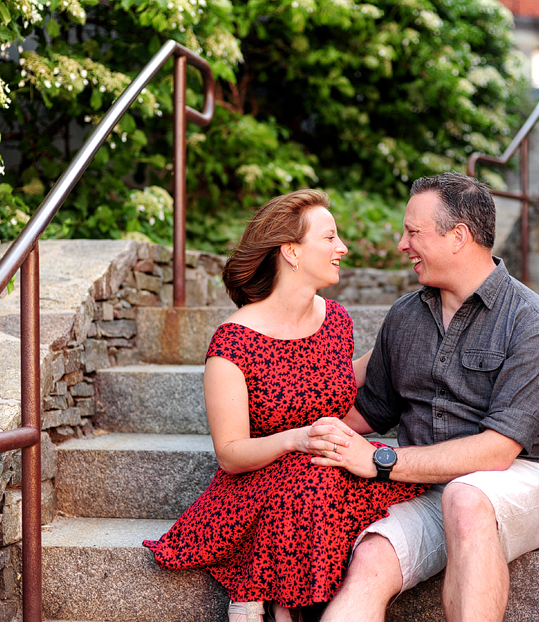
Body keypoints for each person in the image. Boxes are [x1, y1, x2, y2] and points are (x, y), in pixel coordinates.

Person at [142, 189, 427, 622]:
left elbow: (332, 384)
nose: (342, 248)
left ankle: (268, 599)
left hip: (323, 473)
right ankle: (269, 601)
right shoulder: (232, 342)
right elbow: (231, 454)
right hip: (255, 483)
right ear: (291, 251)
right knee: (307, 480)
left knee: (352, 478)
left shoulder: (336, 320)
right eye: (329, 238)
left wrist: (401, 338)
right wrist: (297, 439)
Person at [308, 172, 539, 622]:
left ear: (458, 237)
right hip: (426, 487)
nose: (401, 245)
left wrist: (379, 461)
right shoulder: (404, 317)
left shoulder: (535, 325)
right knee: (371, 556)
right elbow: (369, 412)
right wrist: (294, 433)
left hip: (519, 479)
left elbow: (497, 450)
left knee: (466, 498)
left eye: (413, 232)